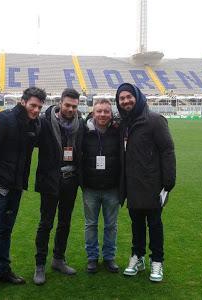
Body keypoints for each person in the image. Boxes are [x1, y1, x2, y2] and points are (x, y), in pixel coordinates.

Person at [0, 87, 46, 296]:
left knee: (6, 231)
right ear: (23, 102)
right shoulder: (4, 119)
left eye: (39, 107)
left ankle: (3, 270)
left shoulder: (35, 124)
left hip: (16, 188)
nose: (35, 110)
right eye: (33, 105)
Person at [115, 83, 176, 282]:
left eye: (129, 97)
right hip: (132, 184)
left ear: (138, 97)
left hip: (152, 184)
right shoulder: (123, 123)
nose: (125, 101)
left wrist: (168, 182)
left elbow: (167, 150)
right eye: (122, 98)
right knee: (136, 224)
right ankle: (138, 256)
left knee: (155, 224)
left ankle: (157, 260)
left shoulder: (155, 120)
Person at [33, 88, 84, 285]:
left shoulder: (81, 124)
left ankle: (58, 259)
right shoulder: (45, 122)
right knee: (46, 223)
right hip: (50, 180)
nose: (71, 109)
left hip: (70, 180)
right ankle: (39, 264)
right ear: (60, 103)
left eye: (74, 106)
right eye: (67, 105)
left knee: (65, 222)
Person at [81, 99, 121, 273]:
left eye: (106, 111)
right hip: (90, 188)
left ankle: (109, 258)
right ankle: (92, 258)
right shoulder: (84, 131)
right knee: (91, 225)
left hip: (112, 188)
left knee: (111, 225)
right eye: (99, 111)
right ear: (93, 112)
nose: (103, 114)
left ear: (111, 114)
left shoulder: (117, 131)